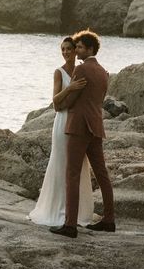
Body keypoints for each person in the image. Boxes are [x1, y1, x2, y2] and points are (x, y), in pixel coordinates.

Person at [50, 29, 116, 238]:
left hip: (78, 126)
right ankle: (109, 220)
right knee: (102, 173)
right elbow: (98, 99)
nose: (76, 50)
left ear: (90, 48)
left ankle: (70, 225)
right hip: (96, 126)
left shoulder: (81, 70)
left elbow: (67, 103)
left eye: (79, 47)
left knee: (72, 173)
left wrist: (61, 101)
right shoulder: (104, 72)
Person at [27, 36, 94, 228]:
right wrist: (70, 88)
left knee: (78, 165)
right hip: (63, 122)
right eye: (62, 49)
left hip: (79, 123)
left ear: (76, 51)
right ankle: (56, 209)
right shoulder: (59, 72)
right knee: (61, 163)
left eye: (68, 49)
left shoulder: (82, 70)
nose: (65, 52)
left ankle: (77, 212)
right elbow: (56, 103)